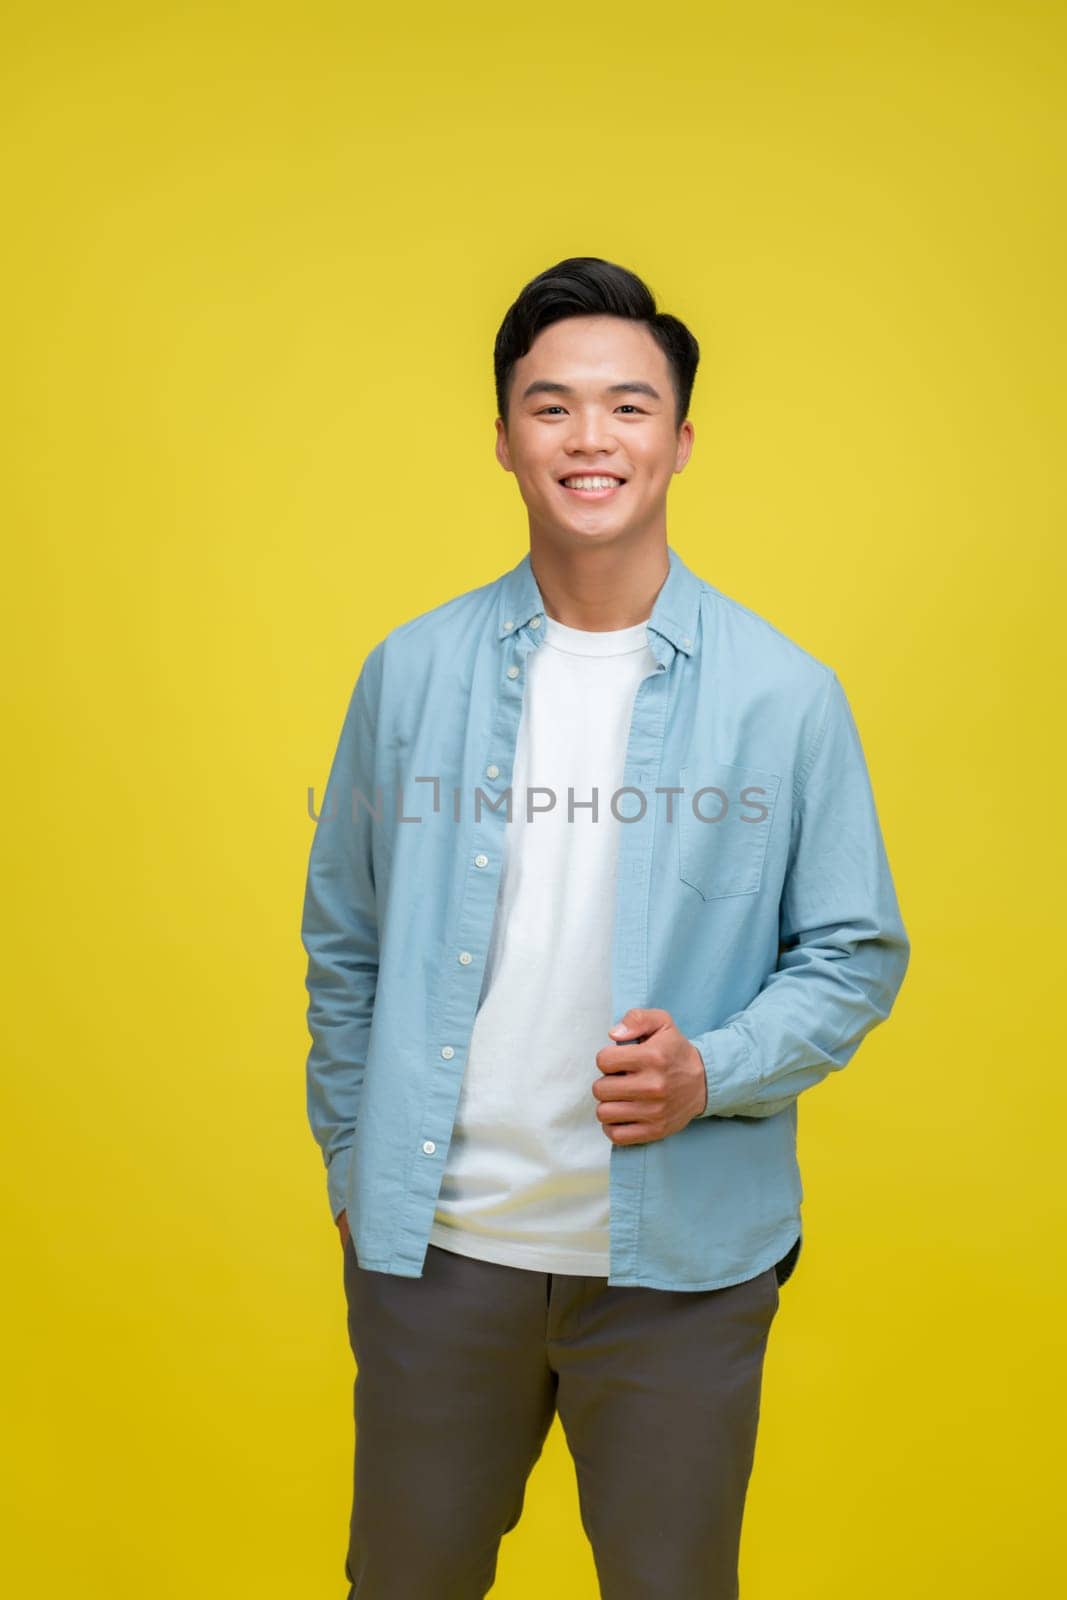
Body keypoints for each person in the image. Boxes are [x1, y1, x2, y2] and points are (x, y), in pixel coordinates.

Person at [301, 256, 911, 1599]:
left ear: (681, 441)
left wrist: (715, 1069)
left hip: (682, 1275)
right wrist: (356, 1163)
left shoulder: (784, 697)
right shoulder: (408, 673)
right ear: (507, 438)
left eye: (628, 408)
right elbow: (343, 936)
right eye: (553, 406)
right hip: (440, 1259)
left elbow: (855, 952)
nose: (591, 440)